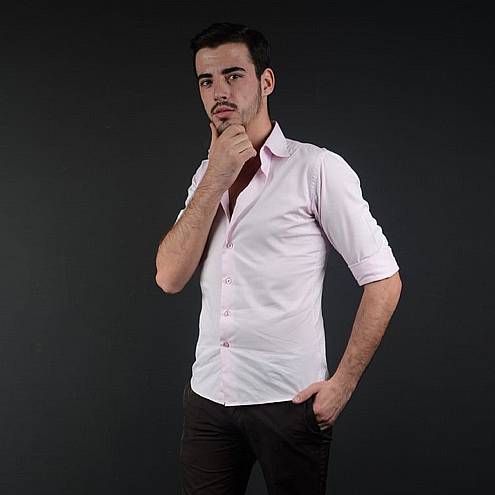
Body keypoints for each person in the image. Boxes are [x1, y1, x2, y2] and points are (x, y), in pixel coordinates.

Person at [155, 21, 402, 495]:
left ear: (266, 81)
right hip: (209, 397)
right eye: (206, 81)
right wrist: (215, 175)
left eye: (233, 75)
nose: (219, 92)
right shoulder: (205, 176)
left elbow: (384, 281)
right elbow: (168, 276)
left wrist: (343, 384)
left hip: (288, 403)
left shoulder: (317, 170)